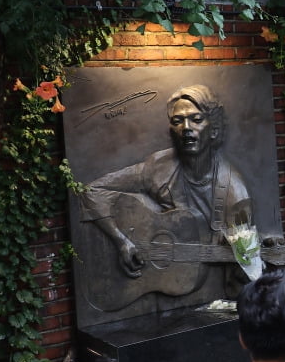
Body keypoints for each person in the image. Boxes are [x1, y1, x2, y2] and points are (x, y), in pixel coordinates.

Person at [81, 85, 255, 278]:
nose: (186, 128)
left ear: (213, 130)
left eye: (196, 120)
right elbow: (92, 191)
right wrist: (121, 240)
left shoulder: (234, 192)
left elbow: (243, 271)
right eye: (178, 121)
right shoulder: (157, 167)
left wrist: (245, 255)